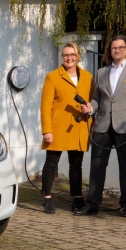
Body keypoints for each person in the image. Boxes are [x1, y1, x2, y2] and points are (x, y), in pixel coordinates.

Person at [77, 35, 126, 217]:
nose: (117, 50)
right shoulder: (102, 72)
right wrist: (90, 108)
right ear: (109, 51)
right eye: (113, 48)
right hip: (102, 125)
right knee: (97, 166)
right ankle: (92, 205)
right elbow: (96, 98)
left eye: (121, 47)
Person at [40, 42, 93, 214]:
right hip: (57, 127)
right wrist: (47, 130)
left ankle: (77, 198)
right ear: (62, 57)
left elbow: (92, 101)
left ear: (78, 56)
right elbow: (45, 106)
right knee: (51, 163)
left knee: (76, 165)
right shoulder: (53, 77)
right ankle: (46, 198)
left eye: (72, 55)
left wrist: (89, 109)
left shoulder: (88, 77)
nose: (69, 58)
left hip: (79, 127)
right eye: (65, 55)